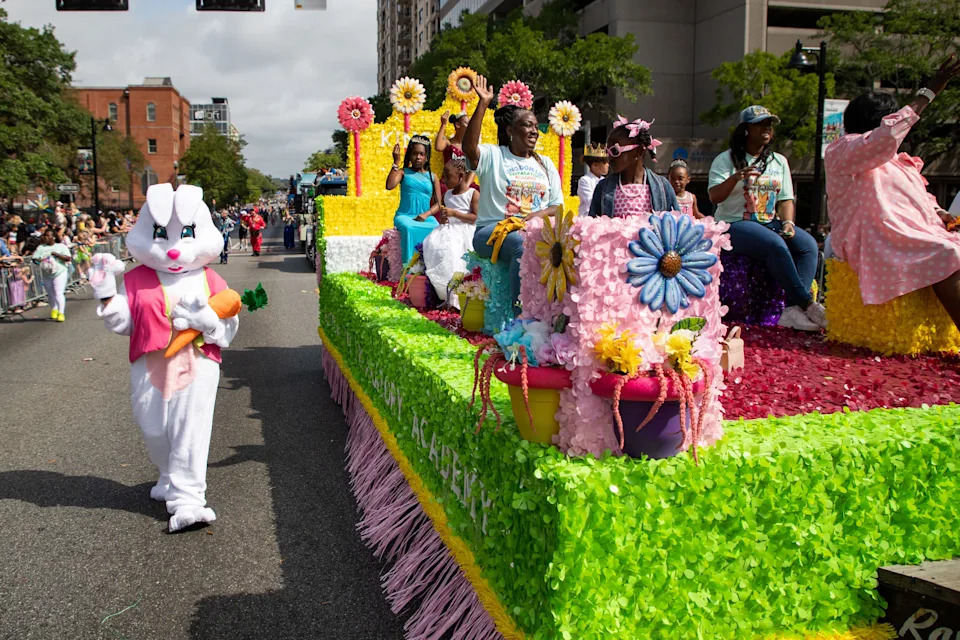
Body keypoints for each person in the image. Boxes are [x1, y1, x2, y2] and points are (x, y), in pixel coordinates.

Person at [825, 56, 960, 330]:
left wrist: (943, 214)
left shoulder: (898, 161)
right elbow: (886, 136)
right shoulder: (843, 150)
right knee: (947, 252)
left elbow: (923, 200)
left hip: (908, 233)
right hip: (873, 239)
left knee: (952, 244)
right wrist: (929, 92)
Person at [708, 105, 824, 332]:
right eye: (760, 123)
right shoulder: (725, 160)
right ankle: (807, 303)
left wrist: (788, 222)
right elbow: (715, 195)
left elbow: (786, 199)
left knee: (808, 245)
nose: (767, 128)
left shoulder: (779, 161)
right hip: (733, 223)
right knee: (775, 245)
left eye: (769, 124)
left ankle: (791, 309)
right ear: (745, 130)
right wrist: (736, 177)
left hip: (770, 221)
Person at [463, 75, 564, 314]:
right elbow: (469, 148)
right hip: (492, 230)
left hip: (535, 229)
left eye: (535, 125)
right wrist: (483, 104)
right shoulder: (494, 155)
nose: (533, 131)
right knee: (521, 243)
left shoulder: (546, 164)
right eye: (526, 125)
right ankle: (520, 315)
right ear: (510, 130)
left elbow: (557, 207)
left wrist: (537, 215)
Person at [588, 116, 679, 218]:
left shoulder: (662, 186)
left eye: (615, 151)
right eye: (607, 152)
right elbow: (592, 225)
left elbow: (676, 224)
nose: (610, 158)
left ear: (639, 151)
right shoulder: (603, 188)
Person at [420, 158, 479, 304]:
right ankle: (445, 294)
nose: (443, 180)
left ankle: (460, 296)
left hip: (465, 232)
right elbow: (445, 214)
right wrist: (444, 219)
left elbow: (475, 218)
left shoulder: (473, 194)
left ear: (460, 176)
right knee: (436, 250)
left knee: (457, 259)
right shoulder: (448, 195)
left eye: (447, 176)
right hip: (448, 231)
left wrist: (455, 214)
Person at [386, 135, 442, 264]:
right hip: (405, 216)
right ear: (410, 155)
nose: (418, 157)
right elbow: (390, 186)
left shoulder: (433, 177)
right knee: (408, 227)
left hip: (426, 217)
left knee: (436, 228)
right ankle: (409, 270)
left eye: (422, 154)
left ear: (426, 157)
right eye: (415, 154)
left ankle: (431, 269)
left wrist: (425, 214)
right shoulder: (403, 172)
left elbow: (439, 204)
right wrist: (396, 162)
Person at [31, 228, 72, 322]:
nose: (46, 237)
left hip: (60, 272)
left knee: (58, 292)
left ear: (53, 236)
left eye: (48, 235)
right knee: (50, 293)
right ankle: (54, 309)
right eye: (45, 235)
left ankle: (61, 313)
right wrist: (41, 260)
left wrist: (56, 255)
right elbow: (34, 258)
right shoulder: (41, 247)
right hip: (47, 273)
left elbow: (68, 258)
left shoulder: (61, 246)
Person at [435, 111, 476, 192]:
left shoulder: (470, 147)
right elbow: (438, 147)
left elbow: (473, 169)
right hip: (448, 185)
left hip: (466, 185)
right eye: (467, 123)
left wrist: (465, 189)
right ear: (458, 125)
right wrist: (443, 124)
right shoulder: (448, 143)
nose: (470, 126)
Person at [577, 144, 609, 216]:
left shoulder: (605, 180)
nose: (607, 165)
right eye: (604, 163)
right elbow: (591, 201)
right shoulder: (584, 180)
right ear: (595, 165)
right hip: (587, 218)